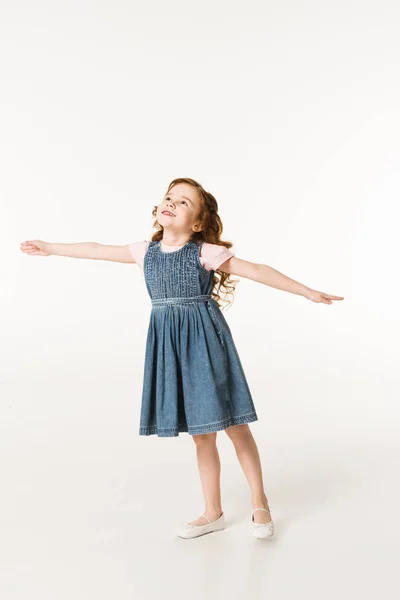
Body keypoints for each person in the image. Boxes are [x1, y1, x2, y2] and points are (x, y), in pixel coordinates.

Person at [20, 177, 344, 540]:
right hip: (169, 344)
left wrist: (307, 292)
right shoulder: (145, 251)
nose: (172, 202)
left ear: (198, 224)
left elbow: (256, 271)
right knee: (201, 435)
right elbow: (96, 248)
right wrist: (49, 246)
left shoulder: (204, 251)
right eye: (169, 197)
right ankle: (212, 511)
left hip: (206, 341)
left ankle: (259, 501)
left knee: (235, 424)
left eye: (184, 202)